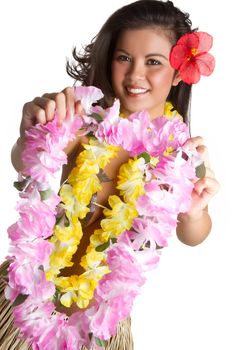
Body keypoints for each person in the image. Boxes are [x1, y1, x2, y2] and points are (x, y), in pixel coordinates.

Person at [0, 0, 219, 349]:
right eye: (124, 58)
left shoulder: (179, 155)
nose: (135, 75)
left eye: (153, 62)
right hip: (27, 293)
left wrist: (197, 213)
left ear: (179, 72)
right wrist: (29, 134)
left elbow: (194, 235)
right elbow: (23, 163)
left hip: (99, 320)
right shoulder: (83, 118)